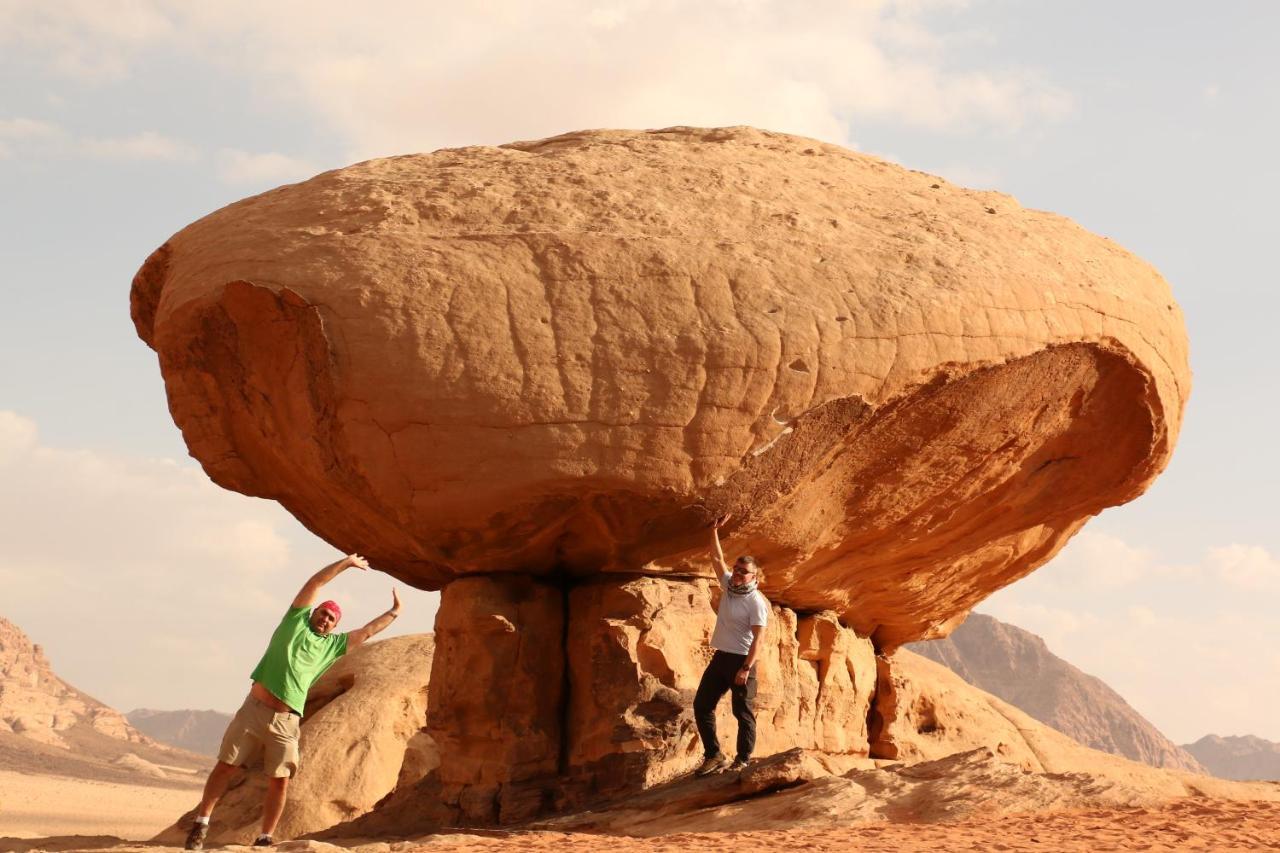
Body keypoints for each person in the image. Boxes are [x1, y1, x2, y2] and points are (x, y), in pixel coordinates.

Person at [184, 554, 402, 849]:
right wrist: (345, 563)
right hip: (255, 710)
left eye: (331, 618)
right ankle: (201, 824)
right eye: (323, 613)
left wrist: (394, 612)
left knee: (280, 780)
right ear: (313, 613)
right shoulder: (295, 622)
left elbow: (367, 632)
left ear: (334, 625)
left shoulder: (332, 646)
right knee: (227, 766)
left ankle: (264, 837)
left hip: (286, 722)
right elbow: (316, 582)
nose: (325, 619)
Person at [693, 514, 769, 775]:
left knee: (742, 713)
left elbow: (759, 639)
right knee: (702, 705)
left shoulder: (756, 602)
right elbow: (716, 560)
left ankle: (743, 760)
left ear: (754, 576)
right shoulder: (729, 586)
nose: (737, 573)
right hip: (721, 658)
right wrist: (713, 530)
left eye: (743, 571)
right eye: (736, 568)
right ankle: (714, 755)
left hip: (742, 661)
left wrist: (746, 668)